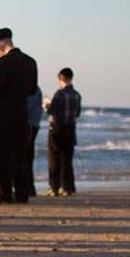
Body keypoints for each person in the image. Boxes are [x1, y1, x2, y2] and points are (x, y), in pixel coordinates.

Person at [0, 28, 37, 204]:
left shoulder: (4, 63)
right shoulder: (30, 62)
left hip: (1, 114)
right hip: (20, 113)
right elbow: (32, 89)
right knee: (19, 155)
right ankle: (22, 193)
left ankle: (2, 194)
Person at [45, 67, 81, 196]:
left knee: (54, 156)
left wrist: (46, 105)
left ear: (61, 78)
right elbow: (77, 113)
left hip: (58, 126)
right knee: (67, 158)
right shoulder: (77, 95)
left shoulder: (60, 93)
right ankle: (67, 187)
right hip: (70, 127)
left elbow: (52, 110)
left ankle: (54, 187)